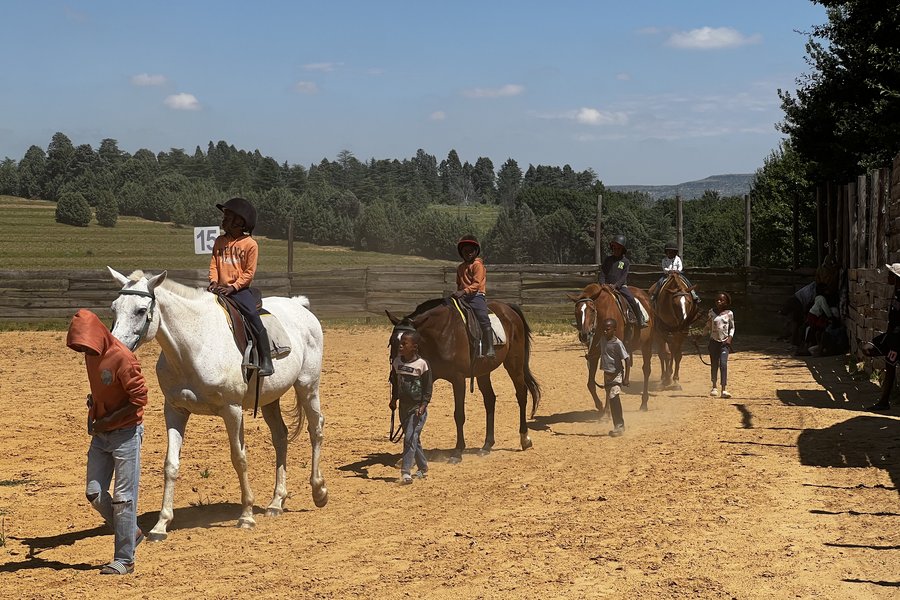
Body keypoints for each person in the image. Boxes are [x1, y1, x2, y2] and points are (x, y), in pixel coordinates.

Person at [66, 309, 148, 575]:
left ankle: (125, 559)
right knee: (94, 493)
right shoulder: (90, 354)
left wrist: (109, 419)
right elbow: (103, 388)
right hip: (101, 434)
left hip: (126, 434)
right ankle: (131, 531)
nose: (84, 353)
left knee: (123, 499)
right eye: (80, 348)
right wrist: (94, 406)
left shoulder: (124, 358)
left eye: (87, 346)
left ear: (99, 335)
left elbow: (139, 399)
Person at [208, 196, 273, 376]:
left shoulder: (250, 245)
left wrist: (233, 287)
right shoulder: (219, 241)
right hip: (218, 288)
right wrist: (213, 281)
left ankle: (266, 359)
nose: (223, 220)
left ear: (240, 222)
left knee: (252, 316)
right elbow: (214, 263)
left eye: (228, 217)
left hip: (239, 291)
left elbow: (249, 273)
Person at [389, 331, 433, 483]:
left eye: (404, 344)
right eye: (400, 343)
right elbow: (395, 382)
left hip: (417, 409)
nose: (400, 346)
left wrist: (423, 405)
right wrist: (394, 399)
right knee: (414, 439)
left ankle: (406, 472)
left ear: (414, 347)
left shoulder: (422, 365)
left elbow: (428, 388)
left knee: (409, 438)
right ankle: (423, 467)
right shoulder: (397, 362)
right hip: (403, 407)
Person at [861, 263, 900, 411]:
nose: (888, 276)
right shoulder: (896, 293)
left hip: (897, 339)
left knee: (890, 366)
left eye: (891, 274)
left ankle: (884, 401)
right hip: (891, 337)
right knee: (868, 348)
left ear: (896, 278)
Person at [451, 234, 494, 358]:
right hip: (463, 296)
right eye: (465, 251)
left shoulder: (477, 265)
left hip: (476, 296)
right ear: (461, 253)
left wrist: (463, 292)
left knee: (482, 316)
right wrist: (458, 293)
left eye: (471, 251)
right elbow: (459, 284)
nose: (468, 253)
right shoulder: (460, 268)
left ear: (476, 252)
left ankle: (490, 347)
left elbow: (476, 284)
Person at [598, 234, 645, 328]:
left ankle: (639, 319)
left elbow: (624, 276)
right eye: (614, 248)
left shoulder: (625, 262)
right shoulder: (608, 260)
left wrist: (615, 286)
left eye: (618, 248)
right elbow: (602, 273)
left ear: (622, 250)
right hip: (606, 287)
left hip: (620, 287)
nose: (616, 250)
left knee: (631, 299)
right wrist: (602, 284)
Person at [599, 318, 629, 437]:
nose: (605, 332)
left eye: (607, 329)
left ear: (615, 330)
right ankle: (618, 425)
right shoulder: (602, 340)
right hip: (607, 374)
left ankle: (619, 425)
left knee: (614, 397)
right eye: (604, 330)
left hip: (617, 374)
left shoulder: (618, 344)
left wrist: (626, 377)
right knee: (611, 399)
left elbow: (627, 359)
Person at [704, 292, 735, 399]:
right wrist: (699, 336)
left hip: (724, 343)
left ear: (726, 302)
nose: (719, 302)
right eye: (717, 300)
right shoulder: (711, 312)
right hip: (713, 342)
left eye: (721, 300)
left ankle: (724, 389)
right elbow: (708, 326)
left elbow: (732, 327)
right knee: (714, 364)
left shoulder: (729, 313)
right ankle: (714, 387)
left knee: (723, 364)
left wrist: (729, 338)